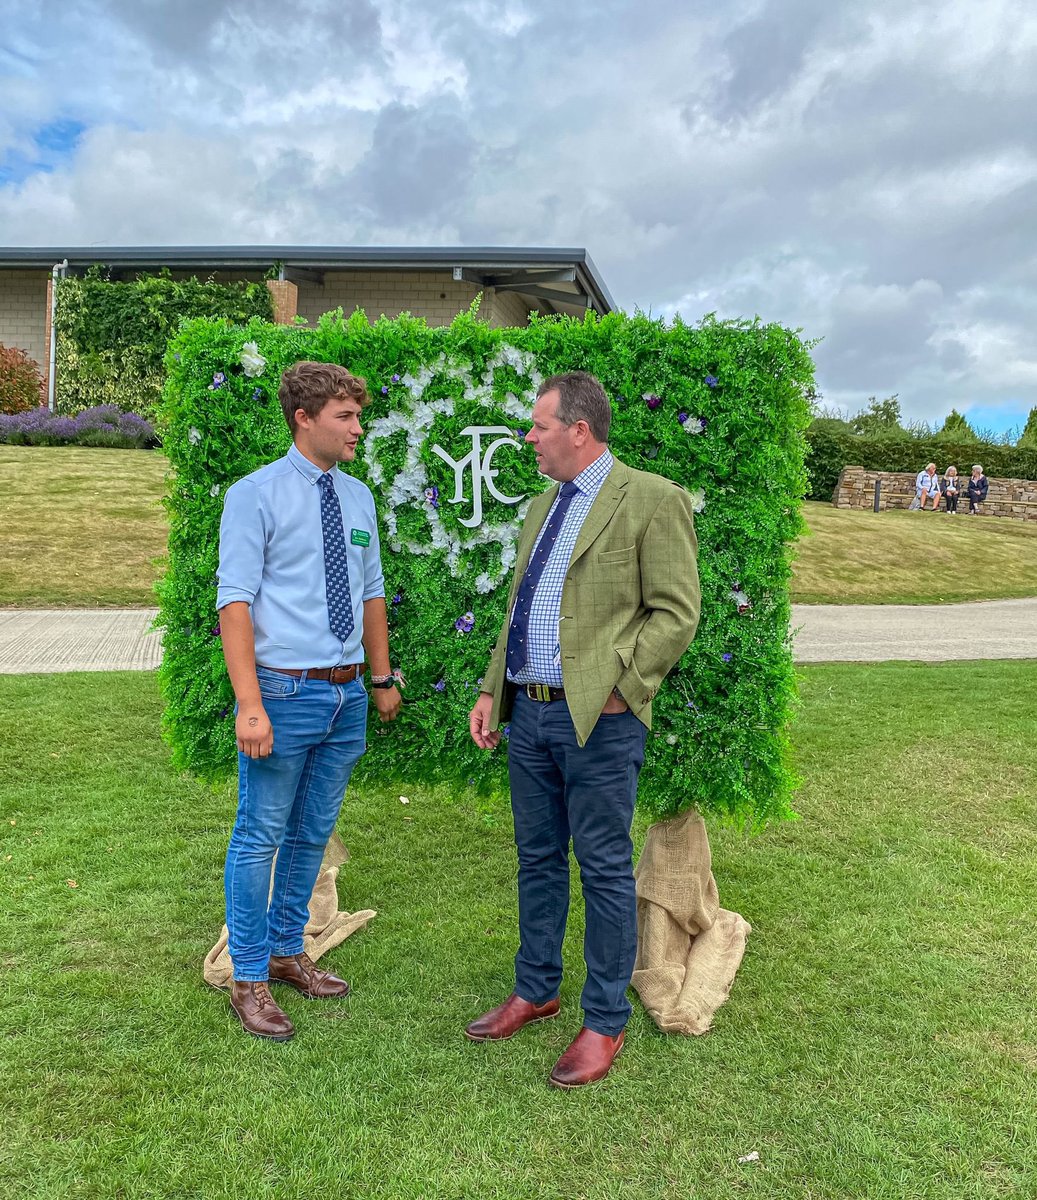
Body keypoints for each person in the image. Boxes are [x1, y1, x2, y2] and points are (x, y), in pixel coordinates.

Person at [466, 371, 700, 1089]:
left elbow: (676, 612)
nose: (527, 438)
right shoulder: (541, 507)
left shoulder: (651, 499)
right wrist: (488, 689)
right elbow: (520, 607)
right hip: (528, 712)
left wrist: (621, 689)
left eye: (537, 426)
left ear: (578, 428)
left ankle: (603, 1022)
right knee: (535, 858)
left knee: (600, 869)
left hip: (599, 721)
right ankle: (535, 989)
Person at [216, 361, 401, 1041]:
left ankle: (290, 952)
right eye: (344, 416)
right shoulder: (254, 495)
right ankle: (249, 978)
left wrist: (380, 680)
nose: (358, 427)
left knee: (310, 835)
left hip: (344, 695)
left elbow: (371, 593)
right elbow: (233, 603)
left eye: (358, 414)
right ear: (304, 418)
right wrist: (249, 703)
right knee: (260, 835)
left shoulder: (357, 499)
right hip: (282, 693)